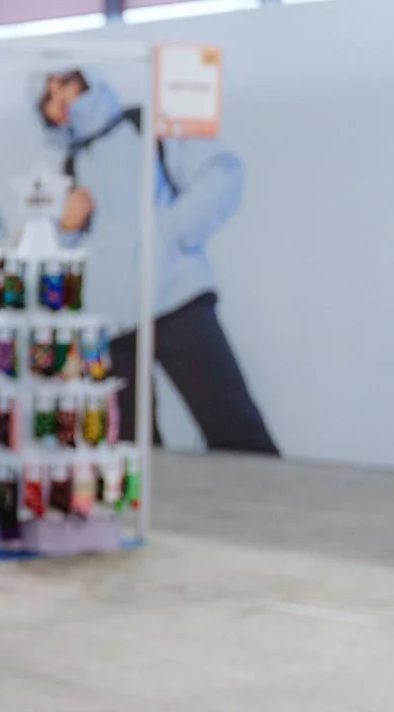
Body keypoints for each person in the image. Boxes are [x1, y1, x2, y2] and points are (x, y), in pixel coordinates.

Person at [38, 67, 275, 454]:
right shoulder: (68, 167)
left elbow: (222, 171)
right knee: (124, 444)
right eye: (47, 96)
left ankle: (272, 507)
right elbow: (58, 261)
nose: (57, 96)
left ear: (86, 80)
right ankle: (147, 516)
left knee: (232, 423)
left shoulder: (146, 125)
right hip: (108, 325)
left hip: (174, 299)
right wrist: (66, 227)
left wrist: (171, 234)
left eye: (63, 83)